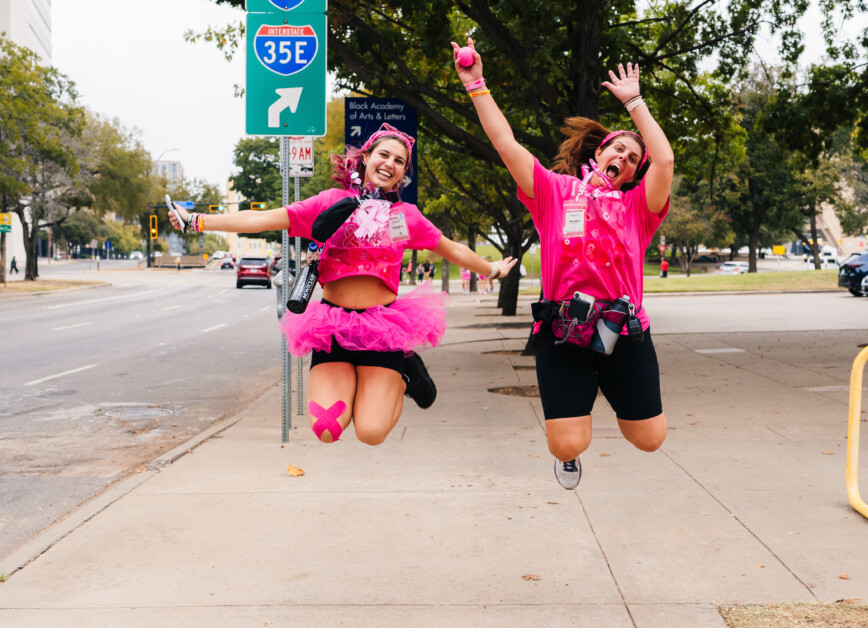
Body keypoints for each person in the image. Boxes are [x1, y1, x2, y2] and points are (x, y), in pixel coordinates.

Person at [168, 123, 516, 446]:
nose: (389, 164)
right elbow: (262, 218)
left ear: (401, 175)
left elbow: (451, 247)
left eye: (399, 161)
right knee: (327, 429)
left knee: (370, 433)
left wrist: (493, 270)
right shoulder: (329, 203)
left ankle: (405, 374)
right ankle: (373, 384)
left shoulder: (406, 217)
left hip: (383, 331)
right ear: (365, 158)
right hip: (332, 328)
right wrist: (197, 220)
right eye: (383, 155)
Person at [453, 39, 673, 489]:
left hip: (623, 328)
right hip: (563, 329)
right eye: (618, 150)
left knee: (650, 438)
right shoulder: (554, 191)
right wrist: (476, 85)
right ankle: (571, 446)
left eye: (633, 159)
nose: (625, 159)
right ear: (599, 154)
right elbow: (504, 142)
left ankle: (605, 391)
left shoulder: (639, 210)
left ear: (634, 173)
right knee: (567, 443)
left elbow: (665, 158)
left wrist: (634, 103)